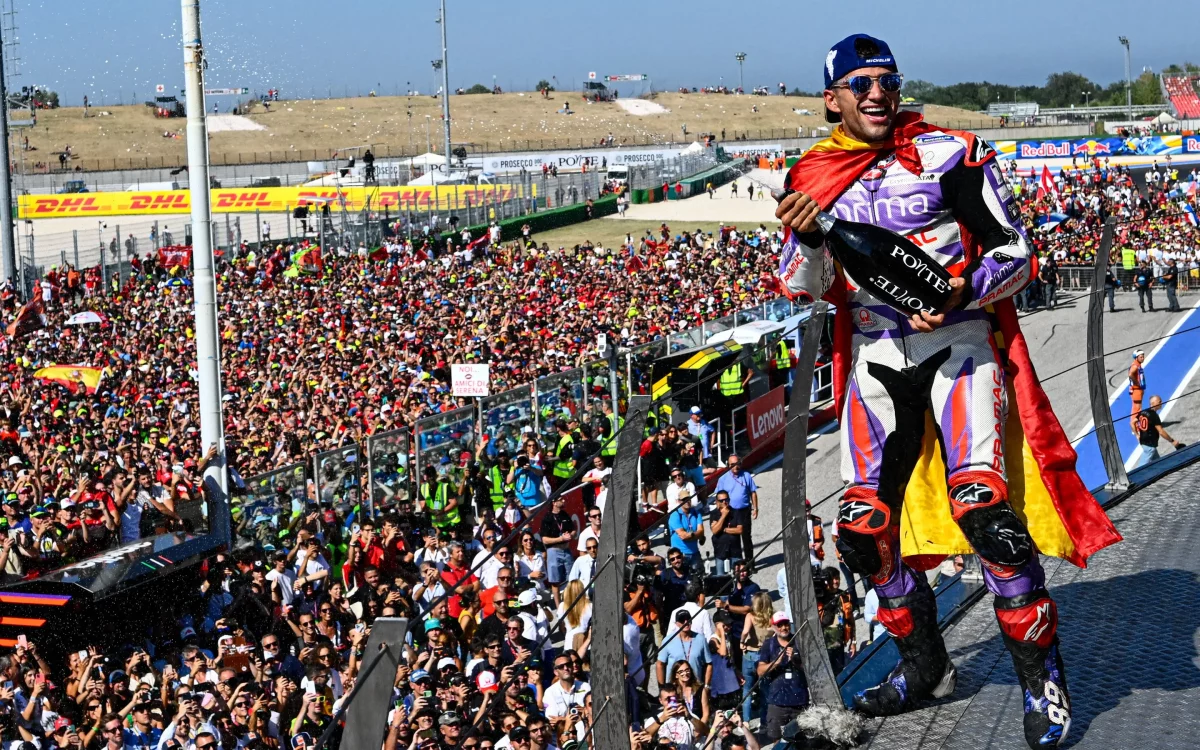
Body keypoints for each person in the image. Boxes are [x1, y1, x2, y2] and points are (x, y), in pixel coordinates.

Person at [774, 33, 1119, 749]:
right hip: (874, 352)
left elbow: (1017, 251)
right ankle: (924, 664)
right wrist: (810, 240)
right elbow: (804, 287)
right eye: (859, 83)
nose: (876, 93)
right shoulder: (810, 173)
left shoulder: (950, 152)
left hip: (958, 344)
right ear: (831, 98)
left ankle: (1041, 679)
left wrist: (964, 286)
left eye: (887, 80)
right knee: (863, 534)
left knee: (987, 518)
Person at [755, 612, 808, 744]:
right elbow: (760, 671)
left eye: (785, 624)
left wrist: (797, 661)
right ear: (773, 626)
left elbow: (813, 670)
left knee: (802, 741)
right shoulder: (769, 644)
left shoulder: (799, 641)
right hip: (777, 702)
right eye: (780, 625)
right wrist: (775, 663)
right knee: (776, 740)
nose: (784, 627)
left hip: (799, 702)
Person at [713, 456, 758, 567]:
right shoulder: (723, 479)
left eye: (737, 463)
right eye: (732, 464)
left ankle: (750, 564)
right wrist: (719, 511)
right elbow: (717, 497)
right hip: (731, 512)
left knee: (747, 538)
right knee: (732, 538)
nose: (735, 466)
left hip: (745, 510)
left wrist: (756, 508)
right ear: (728, 465)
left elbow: (753, 492)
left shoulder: (746, 475)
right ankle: (735, 563)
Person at [1135, 395, 1185, 467]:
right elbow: (1161, 431)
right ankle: (1135, 477)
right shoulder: (1154, 415)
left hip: (1143, 442)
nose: (1161, 403)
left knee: (1158, 462)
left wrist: (1137, 435)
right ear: (1153, 403)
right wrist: (1172, 441)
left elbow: (1132, 422)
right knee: (1140, 467)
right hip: (1150, 445)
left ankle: (1162, 470)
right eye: (1159, 401)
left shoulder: (1143, 412)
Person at [707, 492, 745, 577]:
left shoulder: (736, 512)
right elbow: (715, 531)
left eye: (726, 499)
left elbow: (739, 530)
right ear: (717, 502)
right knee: (721, 579)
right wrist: (724, 515)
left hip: (735, 551)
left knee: (738, 577)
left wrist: (723, 529)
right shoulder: (714, 514)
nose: (724, 502)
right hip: (720, 552)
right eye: (721, 500)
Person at [1129, 350, 1147, 435]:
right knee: (1137, 409)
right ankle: (1135, 427)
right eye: (1141, 357)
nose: (1143, 358)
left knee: (1136, 408)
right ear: (1136, 357)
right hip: (1136, 390)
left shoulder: (1138, 365)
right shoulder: (1135, 366)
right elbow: (1130, 374)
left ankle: (1135, 426)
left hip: (1138, 390)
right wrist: (1137, 383)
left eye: (1143, 356)